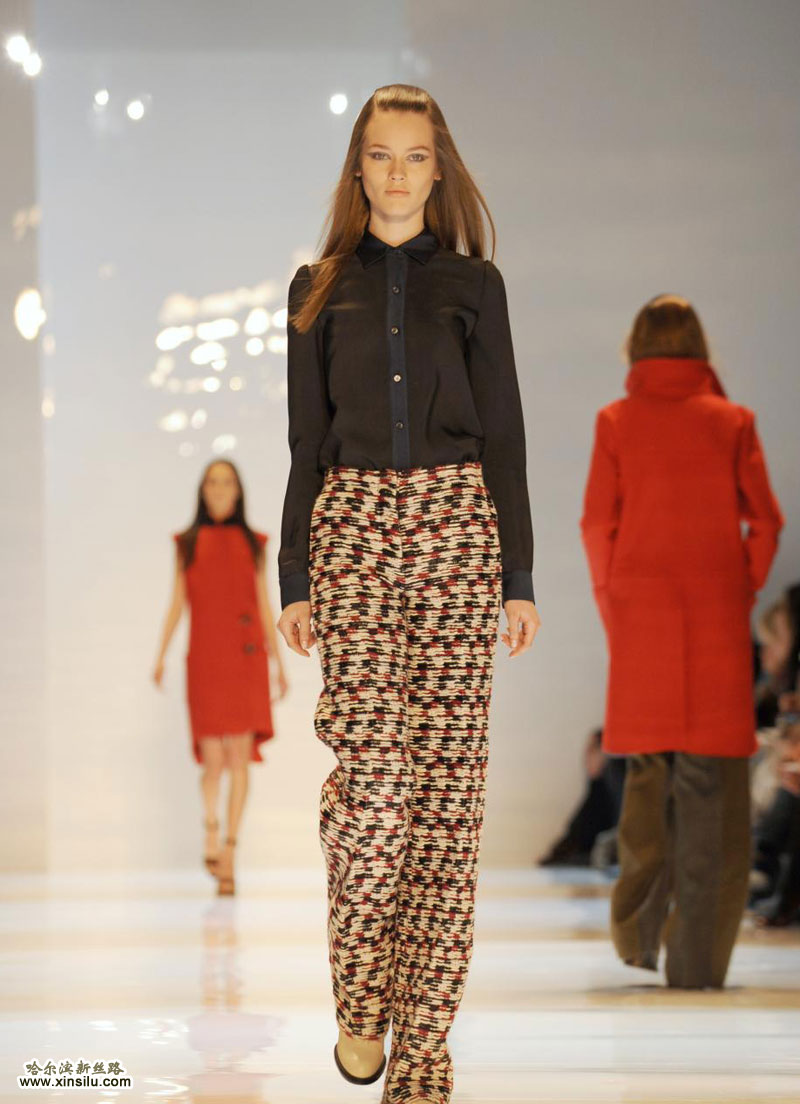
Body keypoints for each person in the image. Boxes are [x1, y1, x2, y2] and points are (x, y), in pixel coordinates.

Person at [276, 84, 540, 1104]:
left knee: (446, 809)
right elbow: (306, 443)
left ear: (438, 168)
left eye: (414, 156)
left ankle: (422, 1048)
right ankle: (360, 997)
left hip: (455, 529)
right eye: (380, 155)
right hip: (349, 528)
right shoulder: (316, 287)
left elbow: (504, 433)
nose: (396, 172)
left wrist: (517, 577)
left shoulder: (475, 286)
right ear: (358, 167)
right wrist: (294, 577)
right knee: (378, 791)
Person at [580, 294, 784, 988]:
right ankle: (695, 964)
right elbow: (767, 522)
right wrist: (739, 587)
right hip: (714, 620)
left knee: (647, 776)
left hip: (640, 617)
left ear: (636, 346)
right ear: (699, 345)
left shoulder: (615, 421)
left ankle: (638, 935)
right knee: (712, 792)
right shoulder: (732, 421)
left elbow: (596, 526)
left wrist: (615, 605)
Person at [153, 459, 287, 895]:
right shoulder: (187, 543)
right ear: (203, 490)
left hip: (245, 657)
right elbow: (177, 602)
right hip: (207, 659)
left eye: (227, 482)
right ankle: (211, 828)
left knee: (240, 757)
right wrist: (161, 654)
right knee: (213, 760)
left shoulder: (255, 542)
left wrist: (279, 663)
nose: (219, 489)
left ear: (238, 490)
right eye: (212, 482)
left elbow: (263, 603)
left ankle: (230, 850)